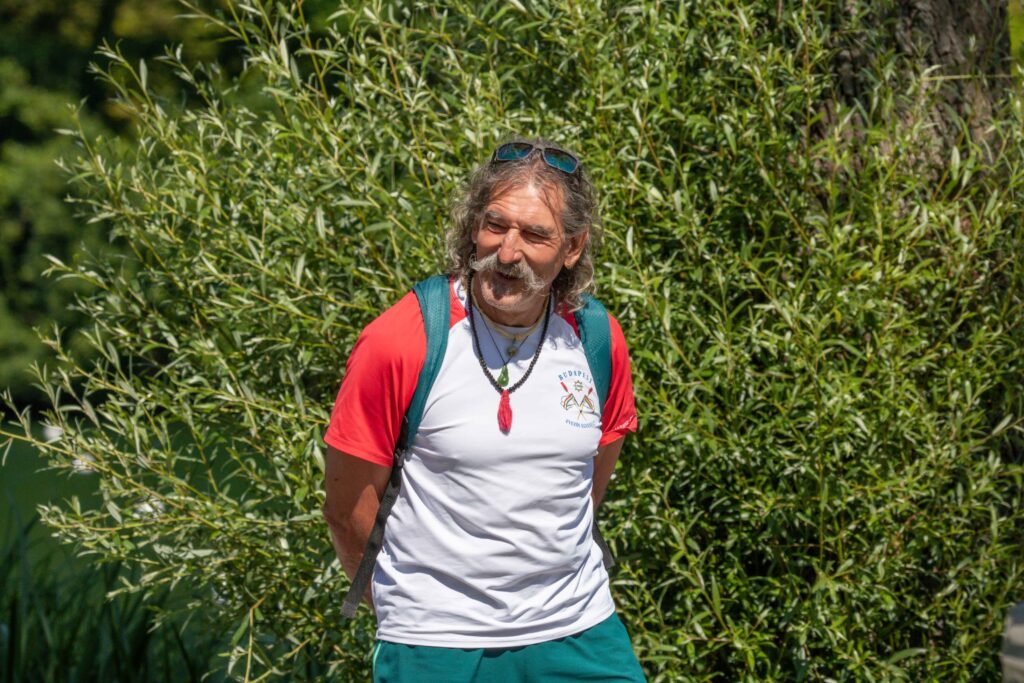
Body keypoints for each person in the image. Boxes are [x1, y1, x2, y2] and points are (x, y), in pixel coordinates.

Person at [322, 139, 645, 682]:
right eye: (496, 225)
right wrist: (406, 611)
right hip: (437, 645)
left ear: (572, 247)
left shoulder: (595, 337)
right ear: (474, 225)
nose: (508, 252)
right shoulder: (402, 339)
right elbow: (345, 507)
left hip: (580, 630)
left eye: (535, 235)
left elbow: (587, 484)